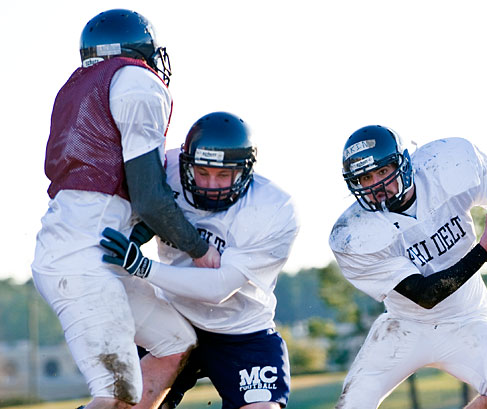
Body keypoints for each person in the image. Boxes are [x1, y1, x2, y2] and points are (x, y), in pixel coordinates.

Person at [31, 9, 217, 409]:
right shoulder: (136, 80)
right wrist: (197, 248)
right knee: (116, 394)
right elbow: (149, 198)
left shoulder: (79, 86)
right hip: (81, 261)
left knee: (176, 342)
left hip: (87, 251)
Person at [328, 125, 487, 409]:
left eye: (383, 172)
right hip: (404, 327)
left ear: (404, 164)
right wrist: (485, 250)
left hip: (467, 317)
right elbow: (425, 295)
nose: (377, 186)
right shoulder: (352, 234)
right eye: (365, 178)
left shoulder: (447, 166)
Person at [100, 111, 299, 409]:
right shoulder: (167, 170)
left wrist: (142, 266)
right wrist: (137, 231)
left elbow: (218, 288)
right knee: (125, 404)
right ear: (186, 165)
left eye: (223, 175)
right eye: (202, 173)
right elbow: (139, 212)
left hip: (240, 330)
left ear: (245, 171)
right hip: (173, 318)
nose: (210, 184)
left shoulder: (273, 208)